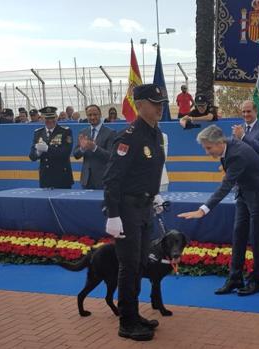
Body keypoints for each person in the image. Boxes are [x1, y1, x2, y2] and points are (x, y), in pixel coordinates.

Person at [178, 125, 259, 296]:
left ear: (219, 142)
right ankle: (235, 278)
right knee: (238, 234)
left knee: (256, 237)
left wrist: (203, 210)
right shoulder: (227, 147)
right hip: (244, 192)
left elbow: (225, 186)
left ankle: (256, 281)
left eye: (208, 148)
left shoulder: (236, 153)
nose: (207, 152)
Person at [102, 84, 167, 341]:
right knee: (129, 265)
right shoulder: (129, 137)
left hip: (144, 207)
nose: (160, 106)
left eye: (162, 102)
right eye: (154, 102)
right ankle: (126, 321)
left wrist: (155, 194)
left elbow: (148, 172)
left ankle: (133, 312)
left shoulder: (155, 134)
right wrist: (113, 214)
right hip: (127, 209)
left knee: (141, 262)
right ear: (139, 105)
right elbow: (112, 179)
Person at [29, 106, 74, 189]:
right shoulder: (38, 133)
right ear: (42, 119)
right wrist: (38, 153)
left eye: (52, 118)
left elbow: (66, 152)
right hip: (45, 177)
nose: (50, 121)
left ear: (56, 117)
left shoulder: (65, 131)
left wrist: (47, 149)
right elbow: (32, 156)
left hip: (62, 177)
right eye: (47, 118)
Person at [72, 104, 116, 189]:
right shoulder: (83, 132)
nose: (92, 117)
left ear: (100, 115)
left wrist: (95, 148)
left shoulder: (110, 133)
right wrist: (82, 148)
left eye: (95, 114)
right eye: (89, 115)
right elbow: (76, 155)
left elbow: (111, 156)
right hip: (86, 180)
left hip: (103, 180)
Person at [232, 100, 259, 173]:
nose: (245, 114)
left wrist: (243, 137)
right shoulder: (238, 129)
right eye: (243, 112)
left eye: (248, 111)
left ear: (256, 112)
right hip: (242, 174)